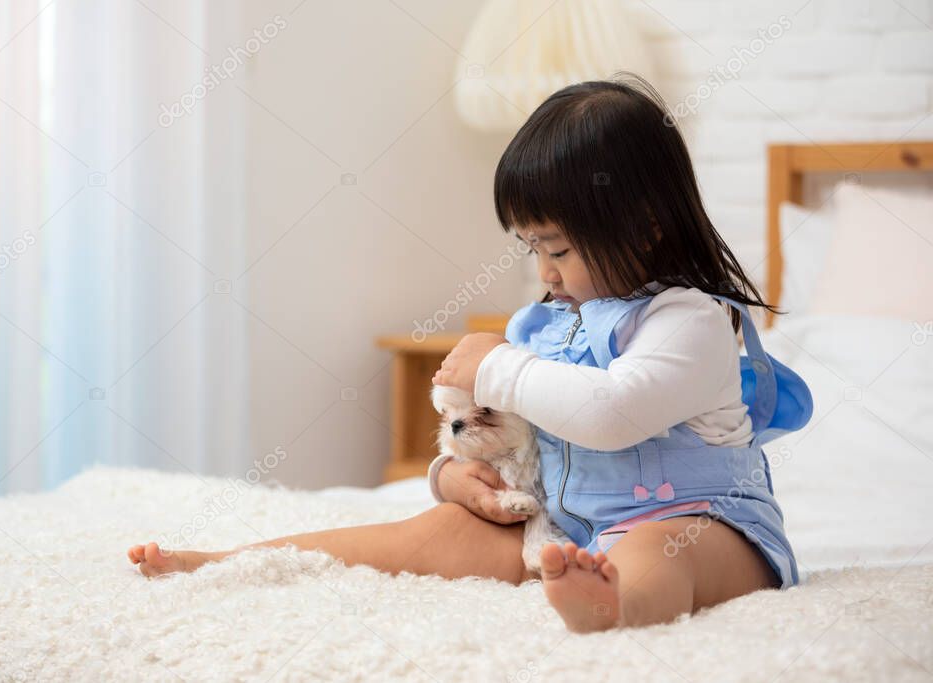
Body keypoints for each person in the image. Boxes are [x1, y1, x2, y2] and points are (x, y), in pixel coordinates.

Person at [128, 72, 813, 633]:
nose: (544, 272)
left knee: (660, 551)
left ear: (644, 227)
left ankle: (615, 607)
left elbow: (612, 413)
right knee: (431, 531)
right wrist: (453, 478)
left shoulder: (687, 320)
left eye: (560, 249)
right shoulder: (553, 324)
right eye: (532, 248)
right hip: (569, 527)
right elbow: (506, 436)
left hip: (707, 526)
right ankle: (233, 561)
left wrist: (500, 366)